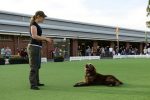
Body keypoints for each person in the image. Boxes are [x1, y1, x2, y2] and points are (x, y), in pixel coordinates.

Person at [27, 11, 52, 90]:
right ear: (38, 16)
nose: (44, 18)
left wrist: (44, 39)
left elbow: (38, 36)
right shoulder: (33, 24)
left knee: (37, 66)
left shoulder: (36, 25)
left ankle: (36, 82)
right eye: (43, 17)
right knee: (34, 66)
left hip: (37, 47)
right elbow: (34, 36)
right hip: (33, 47)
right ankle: (33, 85)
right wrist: (45, 38)